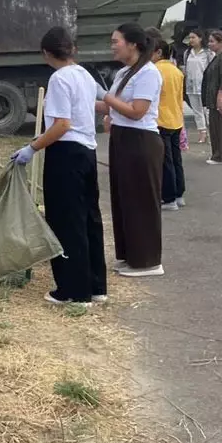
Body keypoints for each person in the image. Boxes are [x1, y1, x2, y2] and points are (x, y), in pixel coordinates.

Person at [12, 27, 106, 305]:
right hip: (87, 151)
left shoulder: (60, 79)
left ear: (46, 53)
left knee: (67, 221)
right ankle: (96, 286)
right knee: (89, 218)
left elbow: (62, 125)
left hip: (66, 154)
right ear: (72, 49)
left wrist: (33, 146)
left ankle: (74, 291)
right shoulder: (84, 75)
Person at [99, 23, 164, 278]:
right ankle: (132, 256)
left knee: (141, 202)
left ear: (133, 44)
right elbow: (111, 107)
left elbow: (137, 112)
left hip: (141, 141)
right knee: (124, 199)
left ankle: (149, 261)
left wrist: (105, 97)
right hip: (122, 138)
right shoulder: (124, 72)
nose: (113, 46)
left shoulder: (148, 73)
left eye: (116, 41)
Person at [153, 39, 186, 211]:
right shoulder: (176, 71)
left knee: (165, 161)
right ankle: (179, 195)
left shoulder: (155, 71)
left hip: (161, 119)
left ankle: (169, 198)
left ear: (158, 52)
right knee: (176, 159)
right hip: (176, 119)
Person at [202, 30, 222, 166]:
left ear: (221, 43)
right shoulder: (218, 57)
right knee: (215, 126)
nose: (209, 44)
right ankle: (218, 154)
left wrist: (220, 99)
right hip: (214, 98)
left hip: (220, 98)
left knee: (221, 127)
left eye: (212, 41)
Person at [183, 31, 214, 144]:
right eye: (190, 37)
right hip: (191, 86)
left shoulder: (208, 53)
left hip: (204, 85)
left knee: (207, 110)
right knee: (197, 111)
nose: (191, 40)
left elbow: (212, 68)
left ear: (200, 38)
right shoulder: (187, 53)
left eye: (193, 37)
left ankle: (212, 133)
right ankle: (202, 133)